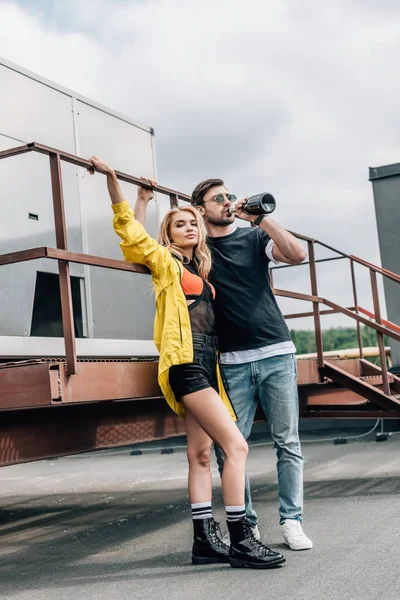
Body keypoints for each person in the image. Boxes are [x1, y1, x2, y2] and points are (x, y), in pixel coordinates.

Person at [87, 156, 286, 570]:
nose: (190, 227)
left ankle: (202, 541)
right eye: (179, 224)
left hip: (207, 364)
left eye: (192, 222)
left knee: (199, 454)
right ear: (169, 235)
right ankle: (241, 540)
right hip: (186, 365)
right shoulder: (165, 264)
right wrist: (122, 187)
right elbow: (131, 234)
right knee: (237, 446)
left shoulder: (201, 265)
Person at [189, 180, 313, 551]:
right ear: (200, 208)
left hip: (276, 350)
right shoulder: (198, 248)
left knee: (287, 442)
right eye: (219, 199)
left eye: (229, 196)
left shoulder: (254, 238)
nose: (228, 202)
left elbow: (297, 255)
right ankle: (247, 525)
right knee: (231, 446)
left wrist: (260, 220)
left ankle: (292, 521)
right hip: (231, 361)